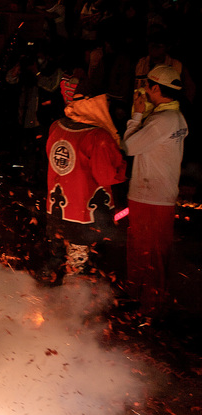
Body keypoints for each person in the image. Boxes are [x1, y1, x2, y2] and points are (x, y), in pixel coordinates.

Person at [44, 72, 125, 279]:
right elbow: (107, 177)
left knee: (58, 262)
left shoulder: (56, 127)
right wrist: (124, 166)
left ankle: (50, 302)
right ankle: (75, 308)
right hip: (86, 216)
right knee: (80, 270)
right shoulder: (97, 136)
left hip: (56, 211)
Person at [122, 65, 189, 314]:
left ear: (156, 88)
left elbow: (128, 146)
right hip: (161, 195)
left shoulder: (160, 121)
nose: (144, 90)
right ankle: (144, 300)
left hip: (149, 196)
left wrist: (137, 116)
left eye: (148, 85)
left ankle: (149, 307)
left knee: (146, 251)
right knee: (154, 252)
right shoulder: (176, 117)